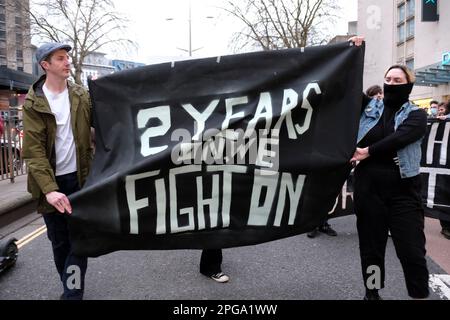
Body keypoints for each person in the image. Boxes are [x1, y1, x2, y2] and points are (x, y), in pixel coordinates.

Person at [350, 61, 429, 300]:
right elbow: (347, 85)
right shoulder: (369, 108)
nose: (391, 84)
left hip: (404, 193)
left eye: (398, 81)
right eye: (388, 79)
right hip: (369, 191)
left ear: (409, 85)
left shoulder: (417, 115)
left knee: (412, 251)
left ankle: (419, 294)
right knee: (371, 250)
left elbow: (401, 137)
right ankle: (372, 292)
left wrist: (368, 151)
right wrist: (353, 52)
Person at [22, 43, 93, 300]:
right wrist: (50, 190)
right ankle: (70, 285)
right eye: (61, 59)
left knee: (79, 241)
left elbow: (104, 122)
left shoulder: (81, 95)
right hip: (50, 185)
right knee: (60, 243)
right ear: (45, 65)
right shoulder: (33, 103)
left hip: (80, 179)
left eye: (68, 58)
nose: (67, 63)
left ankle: (72, 294)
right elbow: (34, 152)